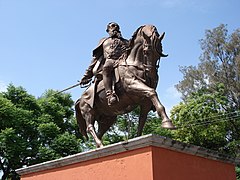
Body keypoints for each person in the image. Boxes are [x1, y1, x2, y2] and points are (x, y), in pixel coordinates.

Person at [80, 22, 129, 106]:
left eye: (117, 26)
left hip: (123, 62)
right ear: (108, 30)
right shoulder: (104, 41)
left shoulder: (126, 42)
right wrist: (86, 76)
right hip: (110, 61)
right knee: (106, 68)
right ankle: (109, 94)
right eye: (112, 26)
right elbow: (94, 59)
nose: (115, 27)